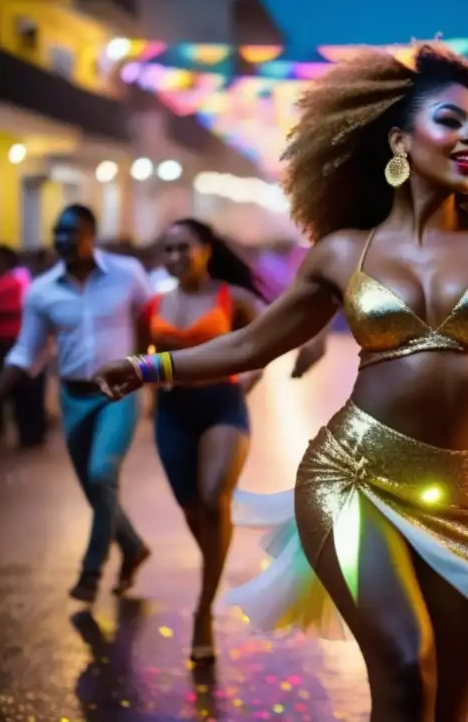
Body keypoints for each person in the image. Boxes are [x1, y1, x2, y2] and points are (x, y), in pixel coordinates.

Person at [93, 44, 468, 720]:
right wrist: (151, 366)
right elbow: (255, 341)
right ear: (398, 140)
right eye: (451, 120)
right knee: (408, 662)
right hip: (353, 478)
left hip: (465, 496)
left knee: (450, 703)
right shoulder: (341, 253)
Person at [140, 219, 321, 663]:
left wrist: (254, 378)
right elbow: (137, 360)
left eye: (184, 247)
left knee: (213, 496)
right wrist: (142, 403)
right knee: (194, 510)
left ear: (206, 249)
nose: (175, 257)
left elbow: (276, 333)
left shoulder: (232, 297)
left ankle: (203, 611)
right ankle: (216, 566)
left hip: (223, 405)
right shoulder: (154, 304)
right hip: (173, 413)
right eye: (168, 249)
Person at [0, 205, 153, 604]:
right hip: (73, 396)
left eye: (72, 232)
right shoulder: (42, 290)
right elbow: (26, 351)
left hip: (117, 394)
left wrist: (149, 368)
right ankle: (133, 546)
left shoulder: (127, 274)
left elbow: (151, 319)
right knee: (93, 489)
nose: (64, 240)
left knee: (103, 475)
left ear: (92, 234)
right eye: (58, 233)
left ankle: (91, 571)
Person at [0, 245, 47, 448]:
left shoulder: (15, 282)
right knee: (6, 392)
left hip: (18, 345)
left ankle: (31, 438)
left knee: (26, 393)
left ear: (4, 261)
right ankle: (2, 435)